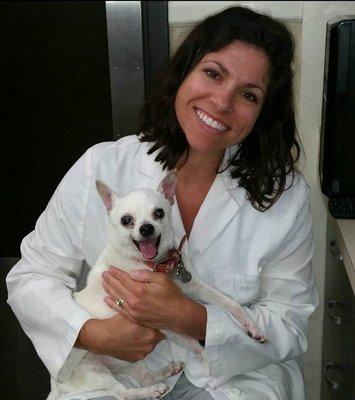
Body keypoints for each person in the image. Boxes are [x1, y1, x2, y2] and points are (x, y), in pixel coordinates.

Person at [6, 5, 319, 400]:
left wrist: (192, 318)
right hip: (114, 374)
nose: (222, 102)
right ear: (184, 72)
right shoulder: (101, 166)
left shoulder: (284, 197)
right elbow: (31, 276)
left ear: (263, 112)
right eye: (212, 73)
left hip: (231, 379)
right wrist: (92, 333)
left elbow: (288, 324)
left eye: (248, 94)